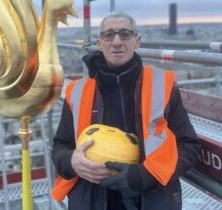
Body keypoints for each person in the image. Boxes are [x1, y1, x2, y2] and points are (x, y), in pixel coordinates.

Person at [51, 11, 201, 210]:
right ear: (99, 43)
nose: (116, 41)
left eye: (125, 34)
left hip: (150, 198)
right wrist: (72, 162)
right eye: (108, 35)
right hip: (91, 199)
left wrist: (145, 175)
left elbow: (188, 147)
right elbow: (60, 146)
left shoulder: (162, 87)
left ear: (137, 41)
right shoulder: (77, 92)